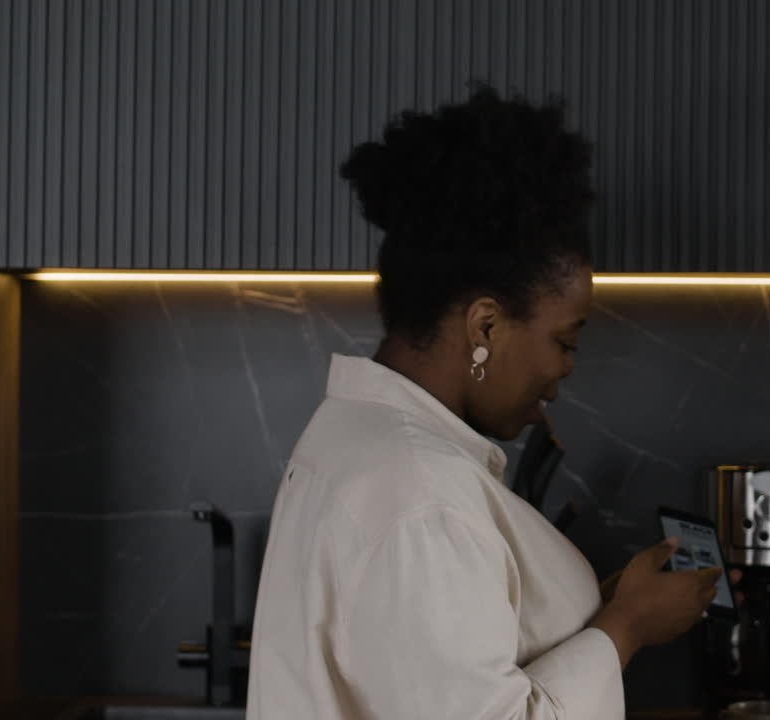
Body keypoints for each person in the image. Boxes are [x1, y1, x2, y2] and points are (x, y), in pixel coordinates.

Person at [246, 87, 725, 720]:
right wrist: (628, 625)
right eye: (564, 340)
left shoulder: (363, 440)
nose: (564, 372)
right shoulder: (422, 494)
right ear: (486, 328)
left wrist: (606, 607)